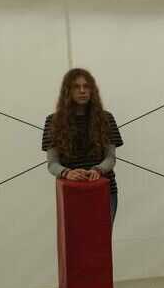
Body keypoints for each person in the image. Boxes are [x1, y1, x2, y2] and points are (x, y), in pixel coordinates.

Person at [42, 69, 123, 222]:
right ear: (67, 91)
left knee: (101, 235)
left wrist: (97, 170)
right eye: (76, 86)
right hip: (70, 190)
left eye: (86, 86)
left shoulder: (106, 118)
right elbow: (52, 164)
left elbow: (111, 158)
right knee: (75, 237)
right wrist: (67, 173)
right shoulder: (53, 121)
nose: (82, 90)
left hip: (104, 190)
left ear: (92, 90)